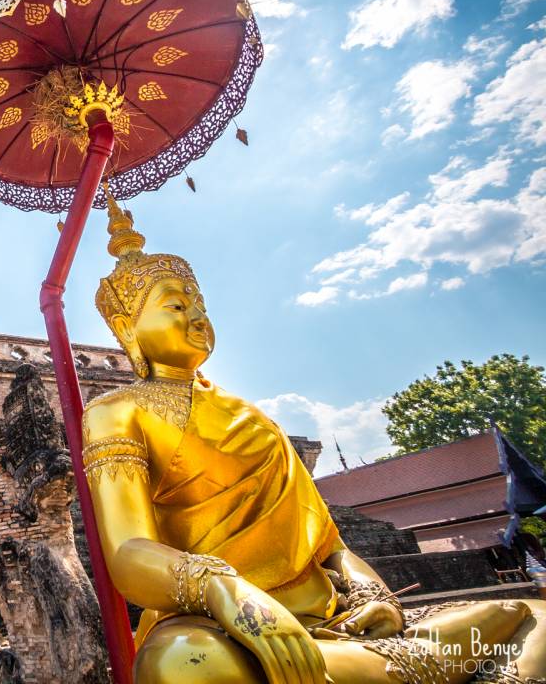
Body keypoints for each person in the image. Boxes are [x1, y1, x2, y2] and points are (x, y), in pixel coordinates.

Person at [81, 197, 546, 683]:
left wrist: (371, 593)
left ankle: (392, 664)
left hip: (331, 620)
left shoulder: (251, 416)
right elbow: (129, 552)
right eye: (176, 305)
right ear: (127, 328)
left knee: (536, 619)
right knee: (181, 665)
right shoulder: (117, 412)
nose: (197, 316)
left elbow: (330, 544)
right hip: (219, 626)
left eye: (200, 304)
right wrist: (224, 590)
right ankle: (410, 668)